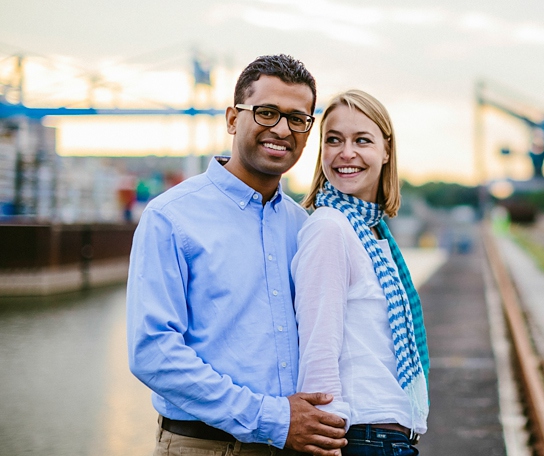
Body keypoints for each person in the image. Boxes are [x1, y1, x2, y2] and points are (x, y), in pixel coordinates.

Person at [126, 54, 347, 456]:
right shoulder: (170, 217)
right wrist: (274, 419)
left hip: (294, 446)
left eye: (297, 119)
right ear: (232, 119)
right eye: (266, 113)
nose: (282, 129)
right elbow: (153, 352)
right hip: (203, 446)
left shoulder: (304, 228)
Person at [292, 90, 429, 456]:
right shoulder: (330, 228)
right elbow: (318, 347)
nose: (346, 153)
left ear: (386, 151)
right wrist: (325, 442)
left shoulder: (372, 232)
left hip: (384, 439)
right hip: (358, 439)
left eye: (361, 140)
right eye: (333, 140)